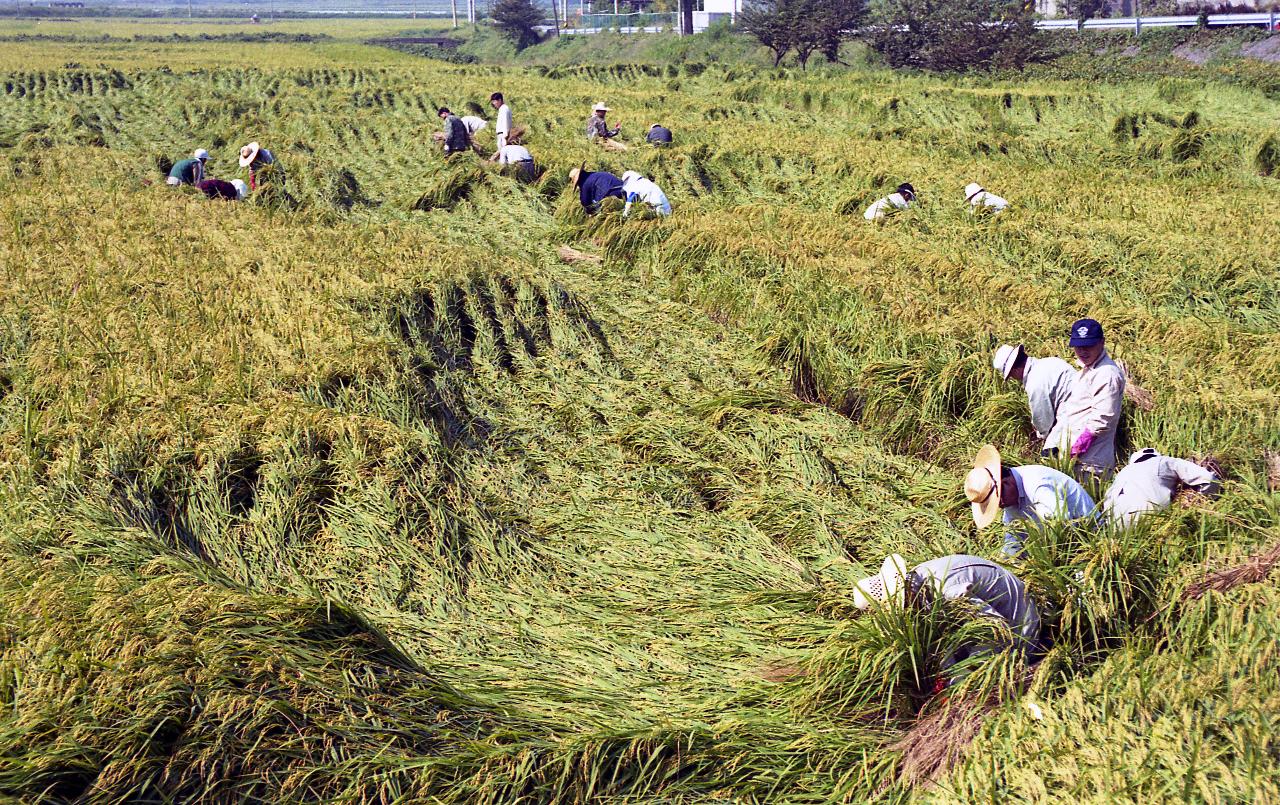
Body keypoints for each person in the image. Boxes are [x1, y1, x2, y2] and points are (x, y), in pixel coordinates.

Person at [852, 553, 1041, 683]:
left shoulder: (946, 590)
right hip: (989, 620)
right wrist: (944, 672)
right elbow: (945, 635)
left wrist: (963, 676)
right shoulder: (919, 581)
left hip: (1020, 628)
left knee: (971, 685)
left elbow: (994, 629)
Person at [965, 444, 1098, 557]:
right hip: (1059, 544)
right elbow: (1013, 536)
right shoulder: (1010, 497)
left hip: (1088, 539)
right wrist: (1007, 563)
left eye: (999, 500)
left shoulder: (1038, 486)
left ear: (1004, 482)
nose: (1001, 506)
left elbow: (1061, 526)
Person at [1046, 318, 1126, 480]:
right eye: (1078, 346)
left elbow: (1102, 420)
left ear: (1102, 342)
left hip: (1090, 465)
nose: (1083, 351)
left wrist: (1075, 450)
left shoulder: (1106, 374)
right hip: (1074, 460)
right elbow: (1069, 411)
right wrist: (1053, 444)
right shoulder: (1084, 372)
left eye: (1088, 346)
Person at [1104, 448, 1221, 528]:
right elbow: (1207, 478)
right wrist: (1201, 498)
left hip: (1116, 528)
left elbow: (1107, 502)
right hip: (1153, 522)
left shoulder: (1121, 474)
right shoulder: (1164, 461)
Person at [993, 344, 1075, 449]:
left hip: (1073, 416)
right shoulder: (1052, 361)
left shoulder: (1034, 383)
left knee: (1049, 454)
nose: (1014, 378)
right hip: (1087, 402)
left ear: (1014, 370)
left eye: (1011, 376)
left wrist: (1039, 436)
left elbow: (1043, 420)